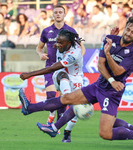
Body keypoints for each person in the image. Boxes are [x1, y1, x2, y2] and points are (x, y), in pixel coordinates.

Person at [19, 16, 133, 148]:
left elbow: (117, 72)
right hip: (98, 85)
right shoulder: (110, 39)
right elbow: (101, 64)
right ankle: (34, 112)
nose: (128, 33)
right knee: (67, 99)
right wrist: (110, 45)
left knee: (105, 132)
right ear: (125, 27)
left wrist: (30, 74)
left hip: (110, 92)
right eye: (128, 29)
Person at [20, 29, 84, 142]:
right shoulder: (64, 44)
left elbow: (51, 68)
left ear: (69, 43)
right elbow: (55, 69)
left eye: (60, 43)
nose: (58, 45)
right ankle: (65, 98)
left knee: (75, 110)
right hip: (60, 76)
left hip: (76, 79)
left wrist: (30, 74)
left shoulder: (74, 53)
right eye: (57, 42)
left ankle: (65, 132)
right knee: (63, 76)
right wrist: (59, 43)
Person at [35, 5, 85, 142]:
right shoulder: (46, 31)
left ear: (64, 14)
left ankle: (56, 126)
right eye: (55, 12)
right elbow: (39, 47)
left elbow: (80, 48)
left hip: (65, 70)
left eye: (60, 12)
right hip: (50, 68)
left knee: (63, 101)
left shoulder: (71, 31)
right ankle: (51, 123)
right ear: (53, 14)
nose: (58, 14)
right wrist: (40, 54)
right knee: (52, 96)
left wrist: (77, 58)